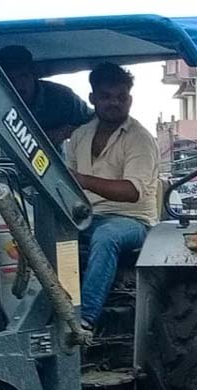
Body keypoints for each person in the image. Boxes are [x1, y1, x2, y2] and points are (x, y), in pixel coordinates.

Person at [67, 63, 159, 330]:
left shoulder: (140, 138)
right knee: (42, 233)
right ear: (93, 99)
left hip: (132, 221)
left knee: (107, 236)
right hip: (86, 217)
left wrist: (83, 180)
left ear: (129, 99)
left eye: (121, 97)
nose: (114, 103)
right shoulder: (79, 136)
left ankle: (84, 321)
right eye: (106, 96)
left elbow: (131, 192)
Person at [0, 46, 93, 147]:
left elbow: (96, 121)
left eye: (23, 76)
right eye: (9, 79)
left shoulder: (62, 97)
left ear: (34, 74)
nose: (17, 84)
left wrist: (68, 131)